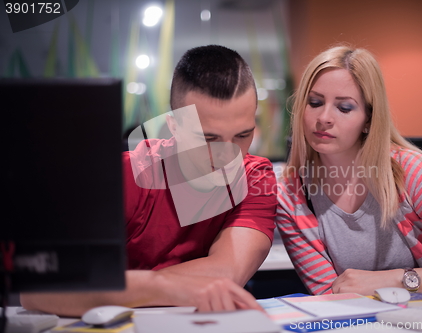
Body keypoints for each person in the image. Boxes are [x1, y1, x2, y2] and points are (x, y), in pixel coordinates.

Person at [20, 45, 277, 316]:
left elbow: (226, 273)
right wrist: (166, 287)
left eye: (242, 135)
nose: (229, 156)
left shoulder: (255, 175)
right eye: (208, 138)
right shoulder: (125, 176)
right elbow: (40, 289)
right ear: (174, 126)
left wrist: (121, 288)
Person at [276, 45, 422, 296]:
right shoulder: (290, 196)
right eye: (314, 102)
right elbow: (332, 297)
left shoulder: (409, 171)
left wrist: (396, 279)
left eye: (344, 107)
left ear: (369, 120)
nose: (324, 117)